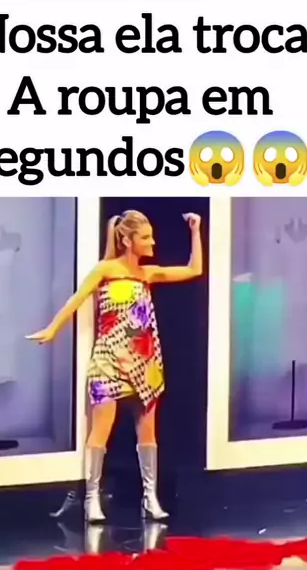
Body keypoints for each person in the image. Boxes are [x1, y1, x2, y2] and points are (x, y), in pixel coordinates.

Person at [26, 209, 203, 524]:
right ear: (127, 240)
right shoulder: (106, 269)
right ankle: (91, 499)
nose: (152, 242)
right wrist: (53, 329)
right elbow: (77, 299)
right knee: (100, 431)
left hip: (144, 361)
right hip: (109, 360)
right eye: (145, 237)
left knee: (148, 432)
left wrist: (195, 231)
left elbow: (194, 269)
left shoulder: (148, 273)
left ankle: (150, 497)